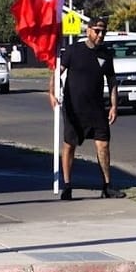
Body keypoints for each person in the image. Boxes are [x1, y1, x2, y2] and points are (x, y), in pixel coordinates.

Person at [48, 16, 126, 201]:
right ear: (88, 30)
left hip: (97, 109)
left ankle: (107, 186)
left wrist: (114, 106)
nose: (100, 35)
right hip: (74, 108)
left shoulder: (106, 54)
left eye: (103, 32)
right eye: (97, 31)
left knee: (103, 145)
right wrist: (51, 92)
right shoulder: (74, 51)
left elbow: (112, 82)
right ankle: (67, 185)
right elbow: (57, 71)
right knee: (70, 145)